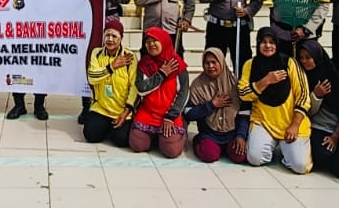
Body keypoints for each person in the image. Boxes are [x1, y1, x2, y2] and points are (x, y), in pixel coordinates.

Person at [70, 0, 130, 122]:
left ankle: (111, 102)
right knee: (89, 61)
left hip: (109, 18)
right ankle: (87, 105)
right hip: (87, 20)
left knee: (112, 59)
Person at [238, 27, 312, 173]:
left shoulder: (290, 63)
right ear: (257, 44)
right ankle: (274, 145)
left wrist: (295, 124)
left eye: (272, 42)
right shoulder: (250, 65)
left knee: (300, 167)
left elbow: (303, 96)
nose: (267, 46)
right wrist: (266, 81)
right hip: (264, 121)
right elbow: (243, 93)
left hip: (290, 122)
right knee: (254, 158)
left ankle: (287, 150)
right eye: (263, 42)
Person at [2, 0, 55, 120]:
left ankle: (39, 104)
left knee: (39, 64)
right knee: (17, 64)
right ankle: (19, 104)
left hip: (38, 27)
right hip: (16, 26)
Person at [296, 37, 339, 179]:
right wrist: (316, 96)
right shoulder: (303, 78)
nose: (304, 61)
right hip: (316, 127)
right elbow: (308, 112)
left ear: (317, 56)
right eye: (301, 58)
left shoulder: (335, 77)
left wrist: (335, 136)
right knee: (323, 153)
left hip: (337, 129)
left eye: (308, 57)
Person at [129, 27, 190, 158]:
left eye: (154, 40)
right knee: (137, 145)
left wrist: (171, 116)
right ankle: (157, 136)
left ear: (164, 41)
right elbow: (141, 89)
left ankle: (180, 132)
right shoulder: (144, 63)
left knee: (171, 151)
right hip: (148, 112)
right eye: (148, 41)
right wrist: (161, 74)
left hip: (170, 114)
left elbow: (183, 93)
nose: (151, 44)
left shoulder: (177, 64)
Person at [183, 47, 249, 164]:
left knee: (240, 157)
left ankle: (224, 147)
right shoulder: (198, 85)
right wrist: (211, 105)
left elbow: (244, 113)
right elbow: (188, 113)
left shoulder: (234, 84)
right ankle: (199, 140)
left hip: (232, 133)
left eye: (214, 62)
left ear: (222, 63)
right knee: (209, 155)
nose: (211, 66)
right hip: (209, 133)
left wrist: (241, 136)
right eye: (207, 63)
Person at [81, 17, 138, 147]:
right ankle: (106, 127)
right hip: (101, 107)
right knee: (90, 135)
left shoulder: (130, 57)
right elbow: (92, 77)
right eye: (107, 35)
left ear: (121, 38)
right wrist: (112, 67)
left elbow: (134, 87)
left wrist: (126, 112)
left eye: (114, 36)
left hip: (121, 110)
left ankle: (113, 128)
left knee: (122, 140)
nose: (110, 39)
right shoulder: (97, 53)